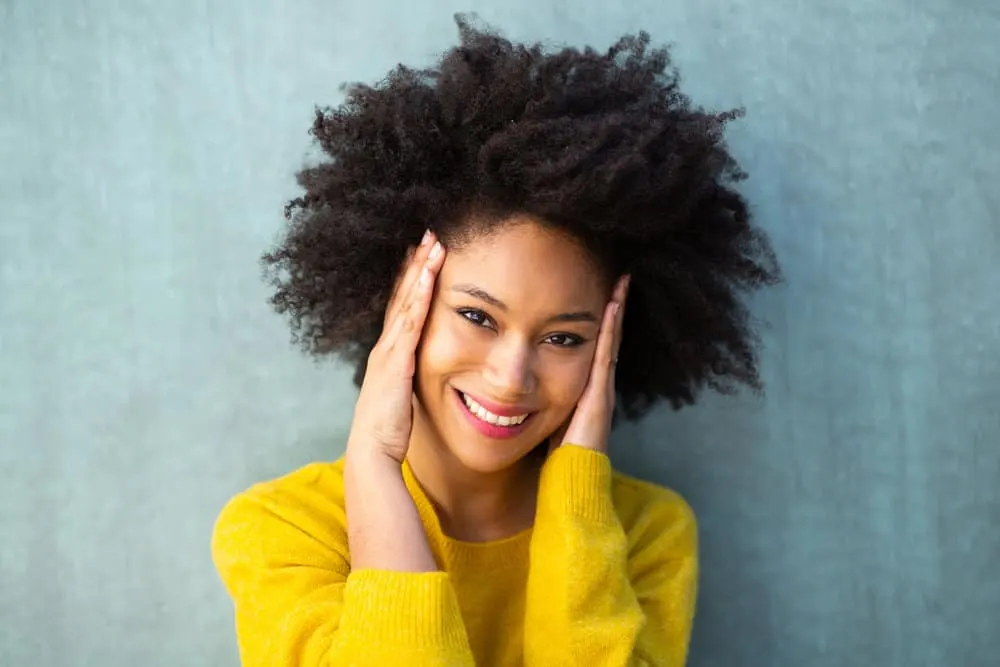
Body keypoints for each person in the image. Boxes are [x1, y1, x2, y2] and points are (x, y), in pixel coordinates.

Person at [211, 15, 779, 667]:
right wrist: (372, 467)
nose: (512, 375)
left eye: (564, 337)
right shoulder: (280, 529)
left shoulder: (647, 532)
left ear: (611, 345)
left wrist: (577, 498)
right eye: (478, 316)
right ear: (401, 301)